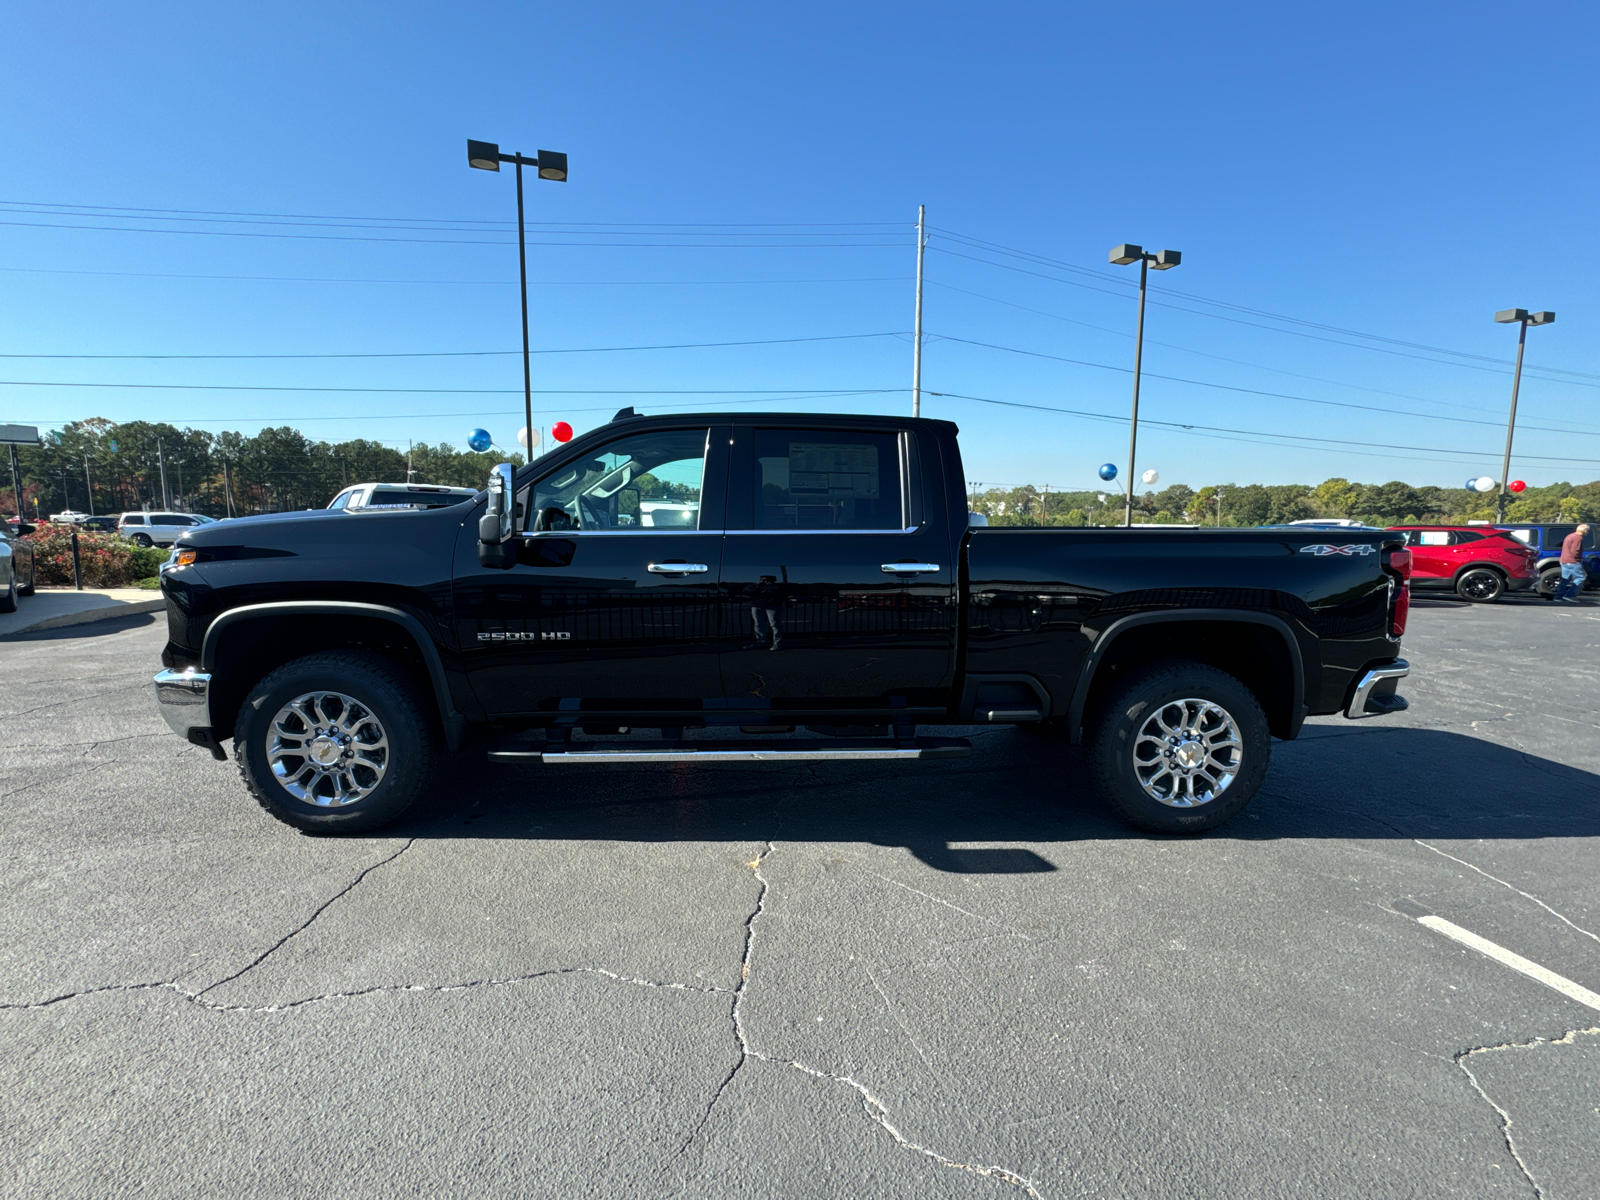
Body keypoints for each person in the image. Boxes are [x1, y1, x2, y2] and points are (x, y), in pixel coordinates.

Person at [1553, 523, 1591, 603]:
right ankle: (1569, 595)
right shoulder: (1578, 538)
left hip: (1564, 561)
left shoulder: (1570, 536)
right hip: (1572, 562)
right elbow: (1575, 551)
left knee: (1565, 579)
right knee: (1581, 577)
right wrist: (1577, 559)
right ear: (1586, 531)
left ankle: (1558, 597)